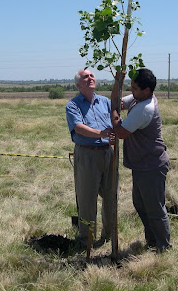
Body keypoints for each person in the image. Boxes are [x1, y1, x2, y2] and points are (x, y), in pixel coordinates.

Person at [110, 68, 172, 252]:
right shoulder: (139, 99)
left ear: (147, 90)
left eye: (135, 88)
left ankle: (164, 247)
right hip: (141, 164)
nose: (132, 91)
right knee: (140, 203)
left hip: (151, 165)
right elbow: (117, 102)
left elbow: (120, 132)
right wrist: (117, 83)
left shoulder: (145, 108)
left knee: (154, 207)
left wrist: (114, 114)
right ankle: (153, 241)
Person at [65, 69, 115, 248]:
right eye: (85, 77)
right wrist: (100, 133)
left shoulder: (106, 102)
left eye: (92, 76)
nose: (90, 78)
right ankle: (86, 240)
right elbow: (78, 127)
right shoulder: (73, 105)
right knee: (87, 199)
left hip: (107, 153)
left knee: (111, 196)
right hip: (86, 154)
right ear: (78, 85)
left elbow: (115, 122)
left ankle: (109, 236)